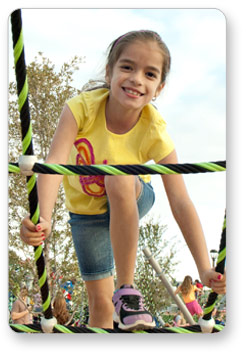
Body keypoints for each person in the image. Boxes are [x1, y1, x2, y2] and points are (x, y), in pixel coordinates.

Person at [20, 30, 226, 330]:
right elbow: (54, 164)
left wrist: (204, 268)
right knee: (100, 306)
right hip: (86, 214)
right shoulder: (81, 109)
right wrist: (44, 219)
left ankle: (127, 291)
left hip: (131, 195)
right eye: (127, 67)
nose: (137, 79)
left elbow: (180, 200)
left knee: (117, 177)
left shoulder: (153, 129)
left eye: (150, 73)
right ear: (110, 72)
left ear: (159, 87)